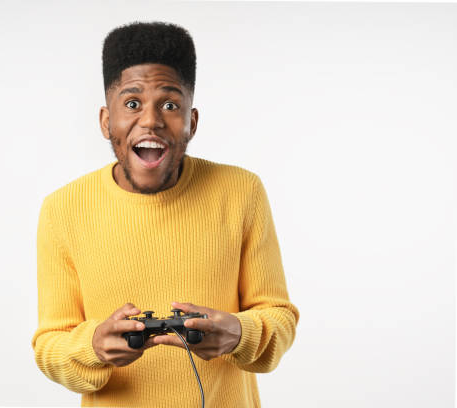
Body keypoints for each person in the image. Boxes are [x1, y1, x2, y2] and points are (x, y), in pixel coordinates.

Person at [31, 21, 300, 408]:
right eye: (132, 103)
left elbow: (279, 318)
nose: (152, 120)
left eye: (170, 105)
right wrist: (92, 346)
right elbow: (48, 347)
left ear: (191, 121)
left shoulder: (242, 191)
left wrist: (240, 333)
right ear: (107, 121)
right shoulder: (62, 209)